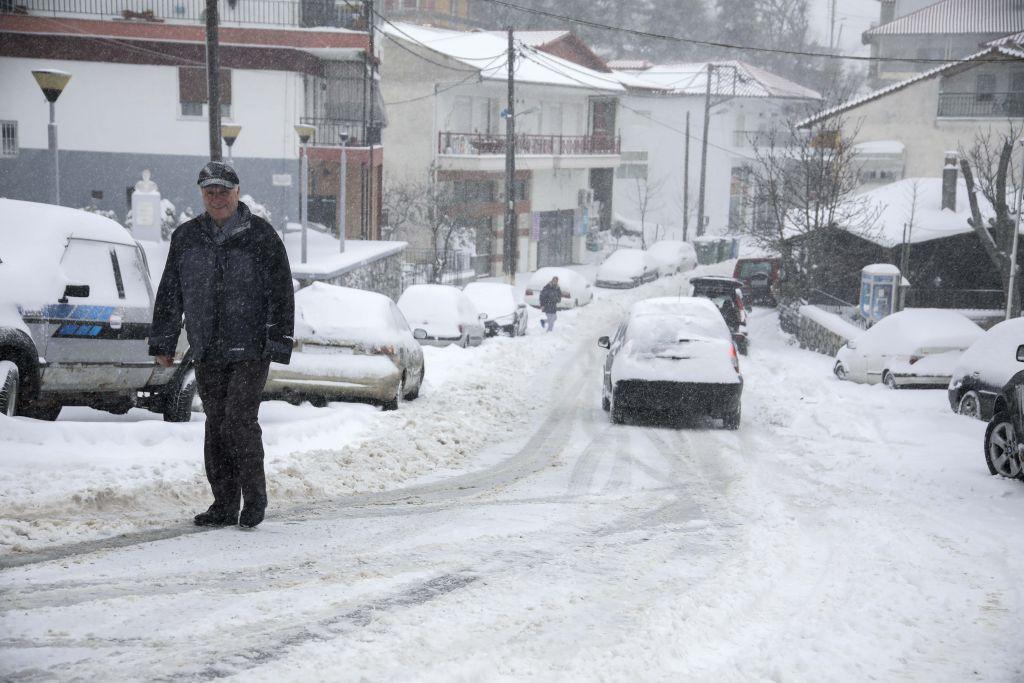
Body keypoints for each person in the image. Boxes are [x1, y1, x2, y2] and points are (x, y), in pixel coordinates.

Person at [149, 161, 294, 530]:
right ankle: (224, 504)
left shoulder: (260, 236)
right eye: (209, 192)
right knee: (216, 423)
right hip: (208, 345)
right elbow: (170, 292)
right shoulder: (186, 237)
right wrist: (164, 340)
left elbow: (281, 291)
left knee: (239, 420)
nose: (217, 198)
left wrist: (278, 339)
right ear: (202, 195)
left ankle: (254, 499)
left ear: (237, 193)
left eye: (223, 192)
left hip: (251, 346)